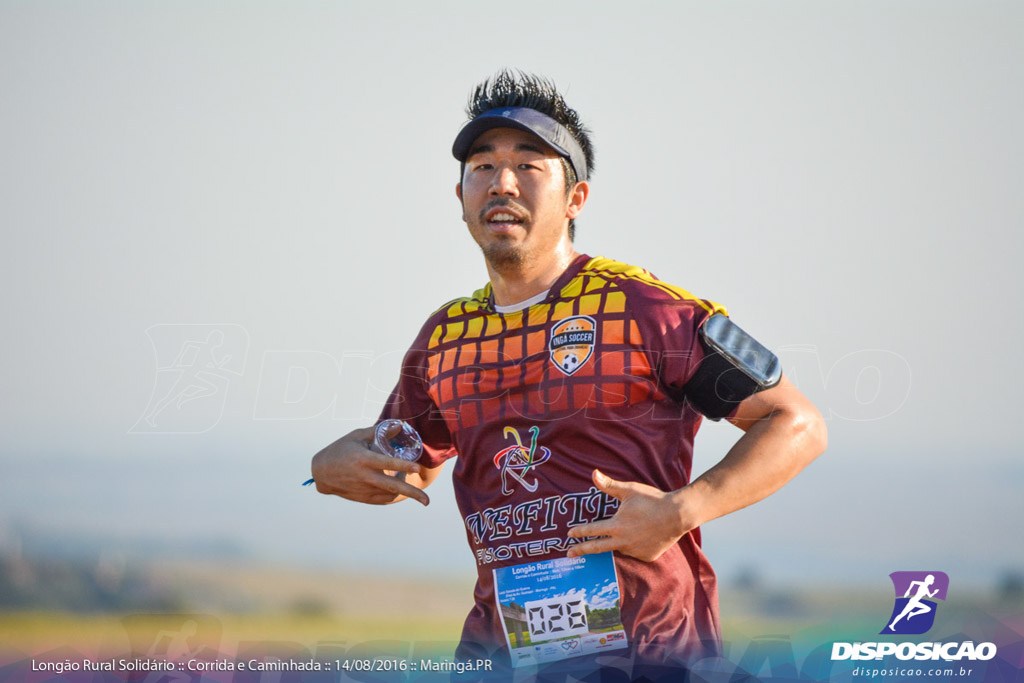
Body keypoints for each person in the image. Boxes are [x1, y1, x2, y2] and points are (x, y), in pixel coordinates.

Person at [310, 70, 827, 679]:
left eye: (529, 166)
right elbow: (410, 463)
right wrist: (327, 469)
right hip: (502, 656)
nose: (502, 183)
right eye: (482, 166)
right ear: (461, 199)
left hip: (651, 656)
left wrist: (681, 510)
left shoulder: (643, 308)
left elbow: (797, 423)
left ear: (575, 198)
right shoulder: (444, 335)